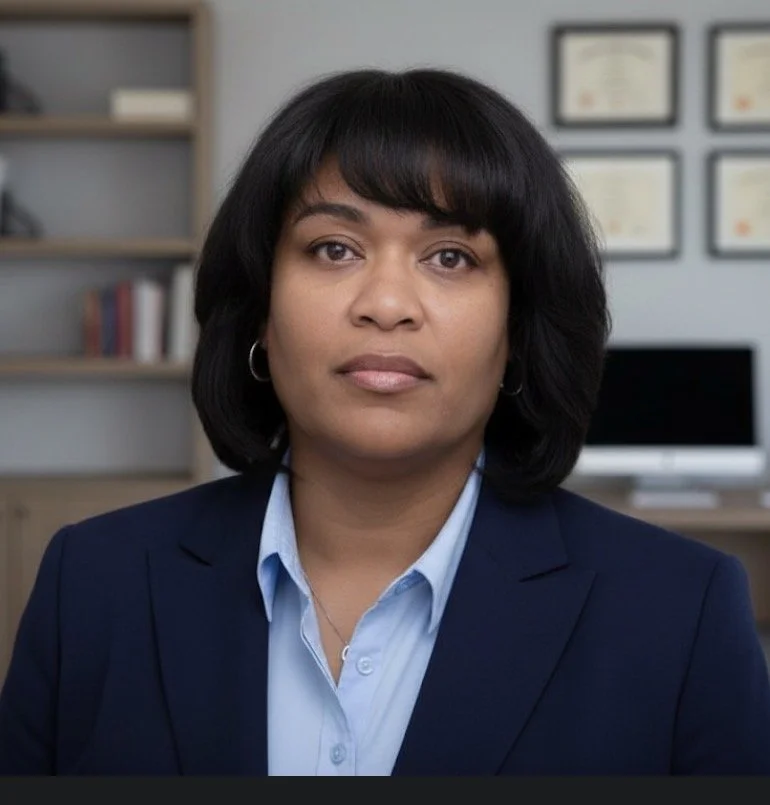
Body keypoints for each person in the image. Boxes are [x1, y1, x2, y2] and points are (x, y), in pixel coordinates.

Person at [1, 67, 769, 777]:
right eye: (334, 247)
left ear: (517, 332)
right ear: (261, 312)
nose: (387, 302)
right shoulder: (93, 582)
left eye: (450, 257)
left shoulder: (680, 610)